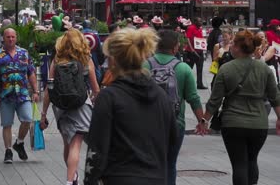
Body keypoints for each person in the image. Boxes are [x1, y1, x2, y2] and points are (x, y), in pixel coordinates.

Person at [84, 28, 178, 185]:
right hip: (155, 178)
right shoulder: (161, 96)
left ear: (113, 60)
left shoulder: (109, 97)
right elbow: (172, 142)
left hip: (118, 178)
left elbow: (97, 149)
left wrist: (90, 181)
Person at [198, 30, 280, 185]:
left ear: (237, 47)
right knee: (252, 159)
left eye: (233, 44)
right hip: (259, 123)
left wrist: (204, 120)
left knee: (239, 164)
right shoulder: (264, 69)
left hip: (233, 123)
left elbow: (215, 100)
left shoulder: (226, 69)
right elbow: (275, 97)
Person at [143, 30, 204, 185]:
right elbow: (194, 99)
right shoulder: (183, 68)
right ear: (176, 47)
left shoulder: (145, 65)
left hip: (147, 124)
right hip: (175, 124)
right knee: (170, 164)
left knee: (149, 164)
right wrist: (202, 121)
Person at [40, 28, 100, 185]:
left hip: (60, 107)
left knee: (68, 143)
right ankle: (69, 180)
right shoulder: (86, 59)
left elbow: (49, 89)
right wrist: (96, 102)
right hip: (80, 105)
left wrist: (44, 114)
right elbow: (95, 89)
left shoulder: (57, 60)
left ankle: (72, 177)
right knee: (76, 144)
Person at [0, 28, 40, 164]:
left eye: (13, 37)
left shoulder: (24, 53)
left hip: (22, 94)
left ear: (16, 38)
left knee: (27, 119)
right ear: (3, 38)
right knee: (7, 124)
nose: (10, 39)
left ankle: (19, 143)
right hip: (5, 96)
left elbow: (31, 72)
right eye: (8, 37)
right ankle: (8, 150)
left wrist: (36, 91)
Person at [184, 17, 207, 89]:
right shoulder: (191, 28)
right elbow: (187, 38)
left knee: (200, 69)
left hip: (200, 51)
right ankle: (185, 84)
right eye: (200, 21)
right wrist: (192, 50)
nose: (201, 22)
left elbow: (201, 40)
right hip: (191, 52)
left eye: (201, 21)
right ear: (195, 22)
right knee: (189, 69)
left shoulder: (200, 29)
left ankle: (199, 84)